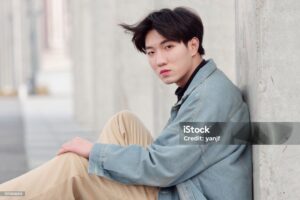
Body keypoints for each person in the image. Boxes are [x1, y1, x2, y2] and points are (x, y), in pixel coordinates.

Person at [0, 7, 252, 200]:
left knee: (75, 168)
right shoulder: (206, 86)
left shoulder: (208, 98)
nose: (159, 60)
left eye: (168, 47)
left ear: (193, 45)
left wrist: (94, 152)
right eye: (151, 52)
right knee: (123, 123)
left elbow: (162, 167)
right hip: (185, 183)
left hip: (188, 194)